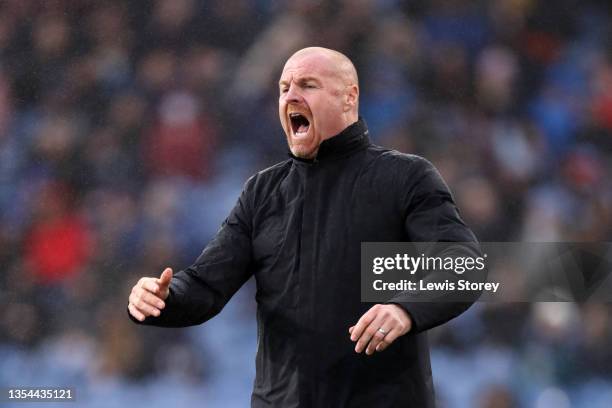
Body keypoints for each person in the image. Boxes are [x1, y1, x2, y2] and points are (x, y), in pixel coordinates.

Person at [128, 47, 480, 407]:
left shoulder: (405, 178)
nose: (291, 96)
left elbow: (463, 265)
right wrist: (162, 298)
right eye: (284, 88)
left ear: (349, 97)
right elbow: (205, 286)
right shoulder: (261, 192)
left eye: (307, 85)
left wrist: (406, 309)